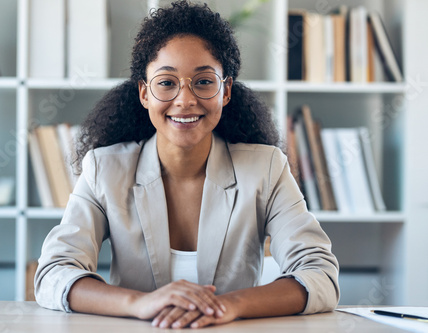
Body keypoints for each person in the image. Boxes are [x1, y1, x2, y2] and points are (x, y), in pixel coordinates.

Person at [35, 0, 339, 329]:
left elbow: (319, 273)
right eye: (166, 83)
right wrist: (141, 303)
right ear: (144, 93)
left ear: (226, 91)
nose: (185, 100)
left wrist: (229, 305)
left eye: (204, 81)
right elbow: (54, 273)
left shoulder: (266, 168)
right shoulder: (104, 169)